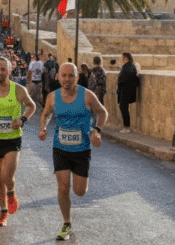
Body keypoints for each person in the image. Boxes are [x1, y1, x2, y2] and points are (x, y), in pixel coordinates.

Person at [38, 62, 108, 241]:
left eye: (71, 75)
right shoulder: (53, 97)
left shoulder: (87, 95)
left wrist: (97, 130)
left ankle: (81, 182)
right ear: (58, 77)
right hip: (60, 148)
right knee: (62, 187)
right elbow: (46, 114)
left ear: (77, 77)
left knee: (79, 191)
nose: (67, 79)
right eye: (64, 75)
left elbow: (102, 112)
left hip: (81, 149)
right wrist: (43, 128)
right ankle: (66, 222)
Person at [0, 57, 37, 227]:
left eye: (3, 69)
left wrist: (22, 119)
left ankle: (11, 191)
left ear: (9, 71)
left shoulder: (18, 89)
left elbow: (31, 106)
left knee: (6, 177)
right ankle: (3, 211)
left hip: (12, 138)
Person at [116, 52, 140, 133]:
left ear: (126, 58)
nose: (121, 59)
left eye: (122, 57)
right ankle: (125, 126)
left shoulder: (129, 66)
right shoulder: (128, 66)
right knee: (123, 108)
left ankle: (127, 127)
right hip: (124, 90)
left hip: (126, 90)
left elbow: (126, 77)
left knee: (124, 108)